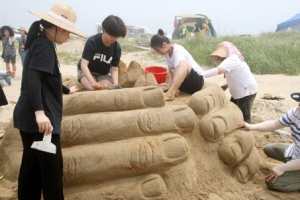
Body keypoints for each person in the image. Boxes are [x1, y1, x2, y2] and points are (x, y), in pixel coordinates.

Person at [12, 3, 85, 199]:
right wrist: (40, 112)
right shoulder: (44, 45)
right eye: (68, 32)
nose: (68, 36)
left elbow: (46, 77)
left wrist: (66, 90)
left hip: (26, 116)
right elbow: (33, 77)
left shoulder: (38, 41)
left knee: (31, 169)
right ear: (59, 28)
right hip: (39, 122)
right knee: (52, 174)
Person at [236, 92, 300, 192]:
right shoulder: (296, 112)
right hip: (295, 151)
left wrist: (282, 168)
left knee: (273, 183)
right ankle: (292, 163)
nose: (298, 104)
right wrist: (251, 127)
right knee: (269, 149)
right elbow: (274, 124)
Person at [203, 41, 258, 123]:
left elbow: (218, 70)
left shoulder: (232, 59)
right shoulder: (234, 59)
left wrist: (200, 75)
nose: (221, 59)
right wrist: (226, 85)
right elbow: (237, 76)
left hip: (245, 92)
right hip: (242, 90)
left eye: (221, 56)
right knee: (232, 110)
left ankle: (248, 130)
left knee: (244, 116)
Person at [150, 29, 204, 101]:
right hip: (185, 84)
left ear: (164, 44)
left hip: (196, 82)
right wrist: (169, 86)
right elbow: (171, 72)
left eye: (158, 50)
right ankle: (173, 90)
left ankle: (171, 93)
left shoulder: (178, 50)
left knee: (183, 63)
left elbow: (180, 69)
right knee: (162, 85)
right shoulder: (167, 54)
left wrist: (171, 89)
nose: (158, 52)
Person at [78, 15, 126, 91]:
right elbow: (84, 65)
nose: (113, 38)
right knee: (91, 88)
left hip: (103, 74)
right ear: (104, 30)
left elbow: (114, 70)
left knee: (105, 88)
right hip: (88, 71)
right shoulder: (92, 42)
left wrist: (116, 86)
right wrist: (93, 82)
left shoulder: (117, 48)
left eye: (116, 36)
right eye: (111, 35)